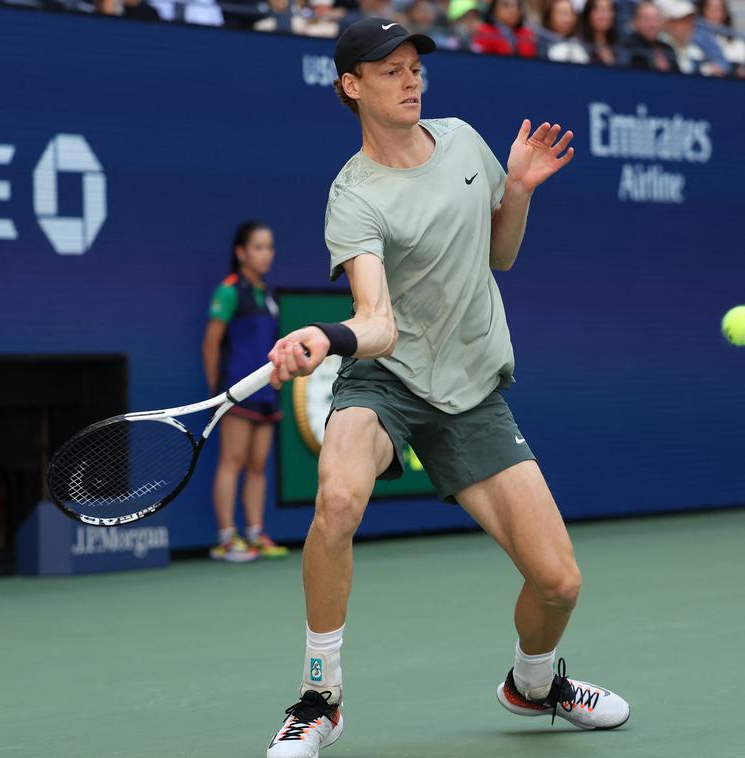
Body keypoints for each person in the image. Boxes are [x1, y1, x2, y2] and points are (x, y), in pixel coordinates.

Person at [261, 17, 630, 758]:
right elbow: (377, 324)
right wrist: (326, 337)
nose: (409, 79)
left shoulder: (463, 141)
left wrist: (518, 188)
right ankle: (319, 698)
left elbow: (499, 253)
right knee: (335, 501)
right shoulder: (354, 195)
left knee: (559, 583)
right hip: (385, 379)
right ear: (351, 86)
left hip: (470, 386)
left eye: (414, 66)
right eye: (389, 70)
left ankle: (533, 684)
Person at [202, 221, 290, 563]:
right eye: (258, 247)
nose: (266, 254)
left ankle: (254, 532)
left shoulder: (266, 293)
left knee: (257, 464)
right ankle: (226, 538)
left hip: (266, 391)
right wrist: (216, 394)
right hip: (236, 392)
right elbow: (211, 345)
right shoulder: (228, 290)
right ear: (241, 252)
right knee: (233, 461)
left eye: (269, 247)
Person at [659, 0, 726, 74]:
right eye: (682, 20)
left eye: (690, 20)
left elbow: (723, 65)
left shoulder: (697, 46)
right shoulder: (660, 45)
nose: (689, 25)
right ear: (668, 23)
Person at [696, 0, 745, 76]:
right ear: (703, 11)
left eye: (719, 9)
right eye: (711, 9)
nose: (715, 13)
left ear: (725, 13)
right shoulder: (694, 40)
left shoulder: (739, 42)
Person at [624, 0, 679, 71]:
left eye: (656, 19)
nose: (652, 25)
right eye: (646, 19)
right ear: (635, 22)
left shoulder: (668, 49)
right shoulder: (627, 48)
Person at [471, 0, 539, 56]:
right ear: (494, 9)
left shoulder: (527, 35)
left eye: (517, 6)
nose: (513, 10)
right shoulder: (484, 33)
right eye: (506, 5)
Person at [578, 0, 624, 65]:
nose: (605, 15)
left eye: (609, 9)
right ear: (589, 14)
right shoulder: (578, 45)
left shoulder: (621, 46)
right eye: (600, 10)